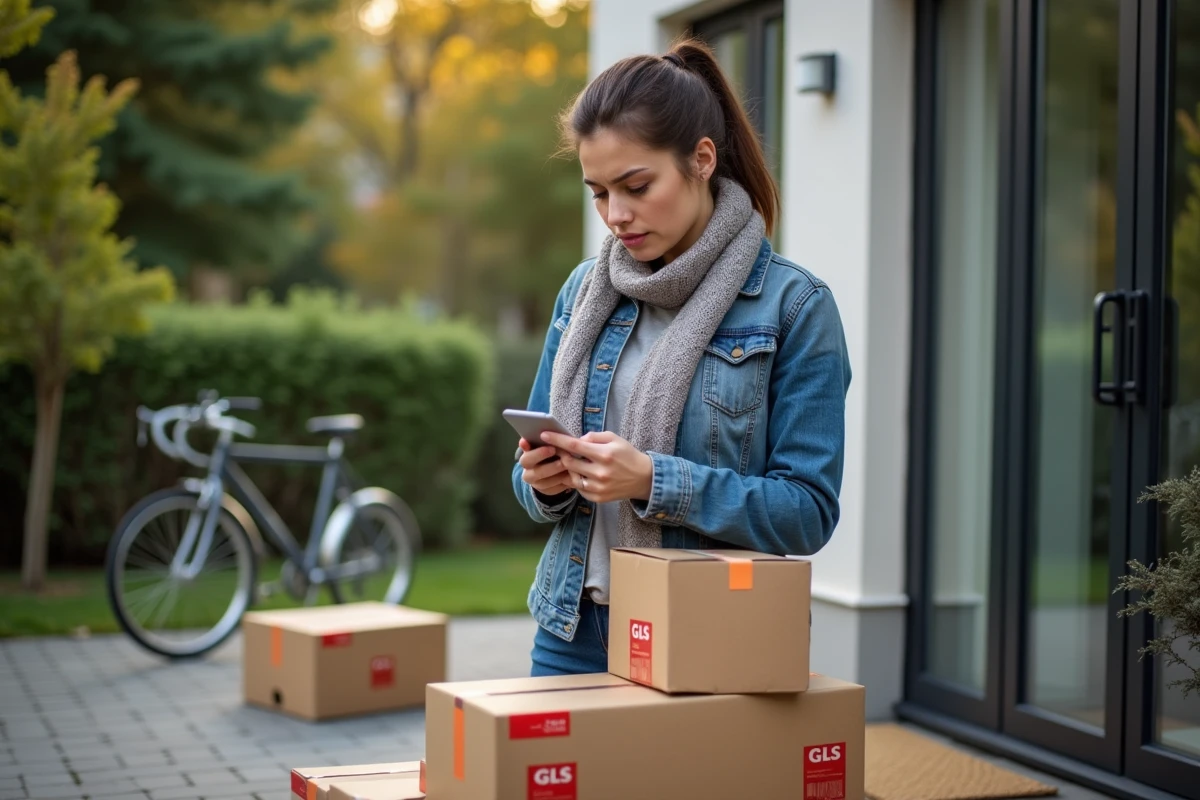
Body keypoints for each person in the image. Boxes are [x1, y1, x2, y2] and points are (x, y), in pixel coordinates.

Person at [511, 37, 852, 677]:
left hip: (713, 630)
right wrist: (543, 484)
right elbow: (529, 478)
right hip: (572, 626)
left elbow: (807, 513)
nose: (616, 214)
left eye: (636, 185)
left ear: (701, 159)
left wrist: (652, 481)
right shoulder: (582, 293)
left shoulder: (794, 307)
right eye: (598, 192)